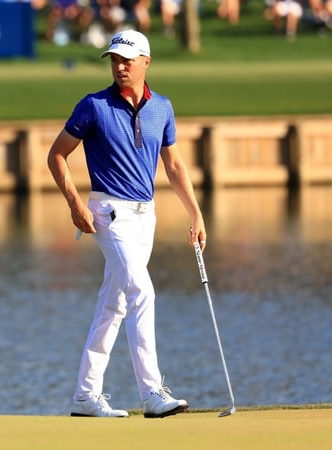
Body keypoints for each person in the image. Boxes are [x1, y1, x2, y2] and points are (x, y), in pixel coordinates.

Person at [47, 29, 207, 418]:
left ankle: (85, 396)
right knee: (142, 291)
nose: (119, 67)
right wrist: (74, 205)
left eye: (127, 60)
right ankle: (152, 393)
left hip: (145, 215)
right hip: (107, 214)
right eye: (114, 60)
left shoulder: (162, 108)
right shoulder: (93, 105)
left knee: (114, 304)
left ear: (146, 63)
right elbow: (56, 155)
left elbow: (173, 165)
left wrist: (195, 212)